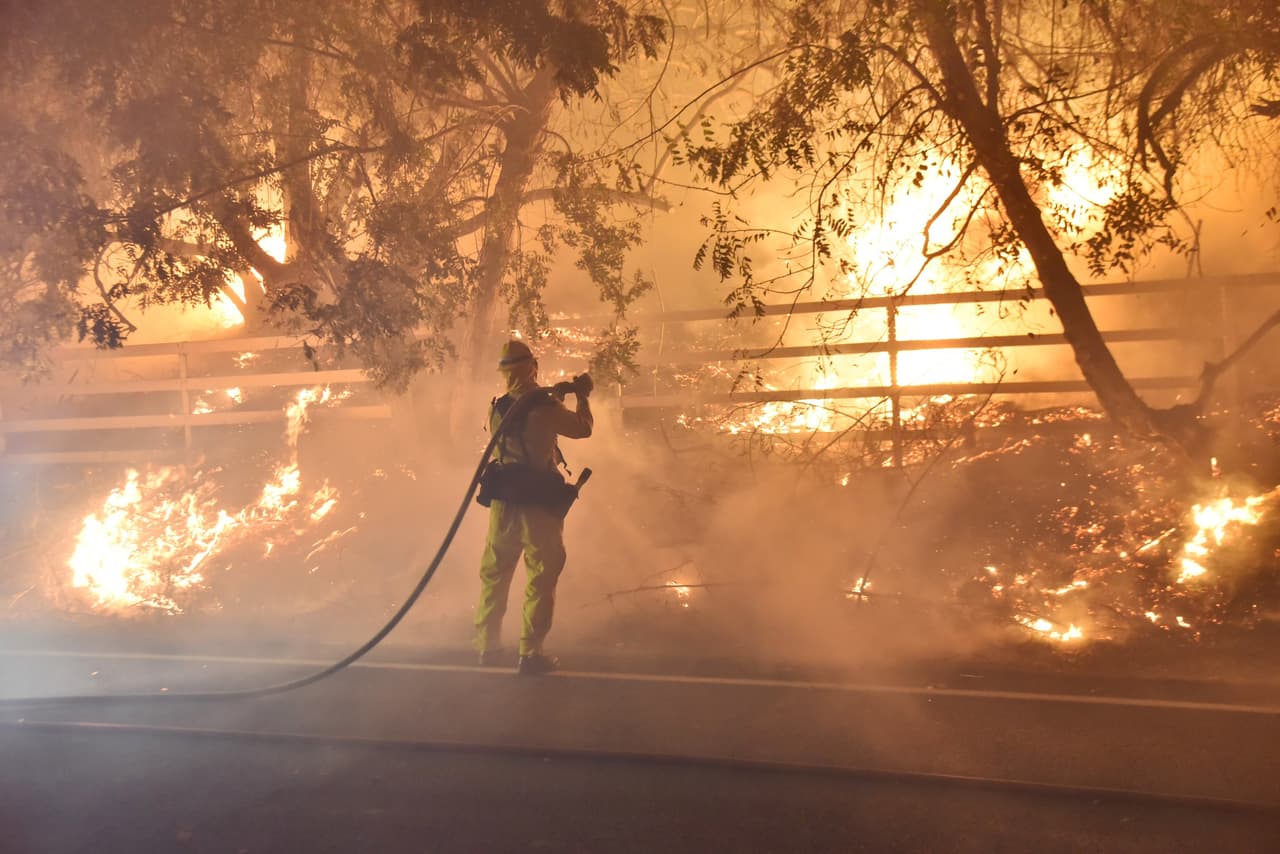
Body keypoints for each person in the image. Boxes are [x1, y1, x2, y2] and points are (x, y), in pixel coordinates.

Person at [473, 339, 593, 675]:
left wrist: (554, 394)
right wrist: (583, 396)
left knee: (494, 574)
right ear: (532, 368)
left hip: (503, 504)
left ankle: (487, 647)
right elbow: (582, 430)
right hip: (538, 505)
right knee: (541, 575)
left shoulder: (496, 408)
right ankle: (530, 653)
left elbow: (519, 418)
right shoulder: (544, 407)